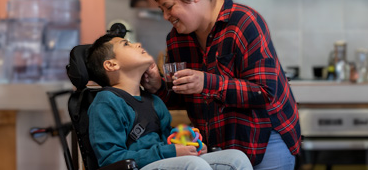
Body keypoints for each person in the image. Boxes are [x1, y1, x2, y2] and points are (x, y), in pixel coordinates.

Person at [141, 0, 301, 169]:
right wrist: (159, 87)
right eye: (162, 9)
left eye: (169, 7)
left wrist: (206, 82)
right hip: (218, 145)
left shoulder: (244, 22)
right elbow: (182, 96)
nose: (165, 16)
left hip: (265, 139)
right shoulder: (176, 38)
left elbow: (264, 92)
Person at [85, 33, 253, 170]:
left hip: (161, 161)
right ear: (111, 64)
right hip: (135, 167)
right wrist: (170, 152)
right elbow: (111, 160)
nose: (137, 44)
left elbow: (167, 139)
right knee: (193, 165)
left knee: (236, 158)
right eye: (126, 44)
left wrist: (189, 145)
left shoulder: (153, 101)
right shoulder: (106, 103)